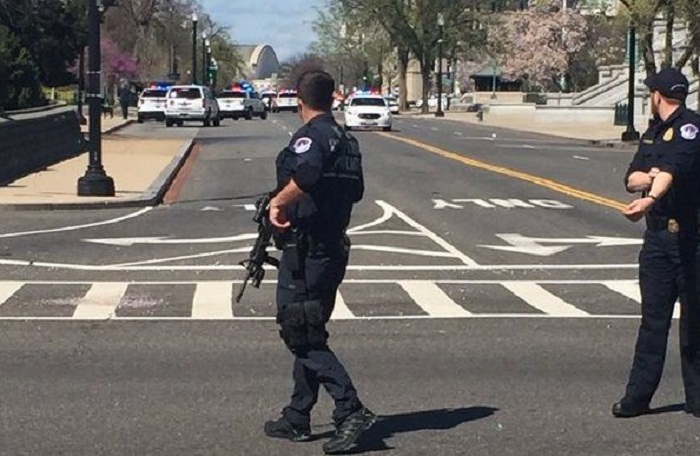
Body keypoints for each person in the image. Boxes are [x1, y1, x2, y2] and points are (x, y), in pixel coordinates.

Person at [263, 70, 376, 454]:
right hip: (332, 247)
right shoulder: (347, 140)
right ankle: (298, 415)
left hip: (308, 250)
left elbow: (307, 172)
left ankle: (350, 408)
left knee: (298, 330)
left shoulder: (313, 137)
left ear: (300, 102)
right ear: (334, 98)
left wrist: (280, 201)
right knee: (310, 328)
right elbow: (356, 190)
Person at [614, 67, 700, 418]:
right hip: (658, 240)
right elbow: (631, 177)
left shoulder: (691, 129)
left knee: (694, 324)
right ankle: (637, 397)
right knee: (653, 322)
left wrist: (650, 196)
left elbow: (670, 172)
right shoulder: (653, 133)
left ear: (657, 96)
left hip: (692, 239)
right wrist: (649, 180)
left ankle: (697, 399)